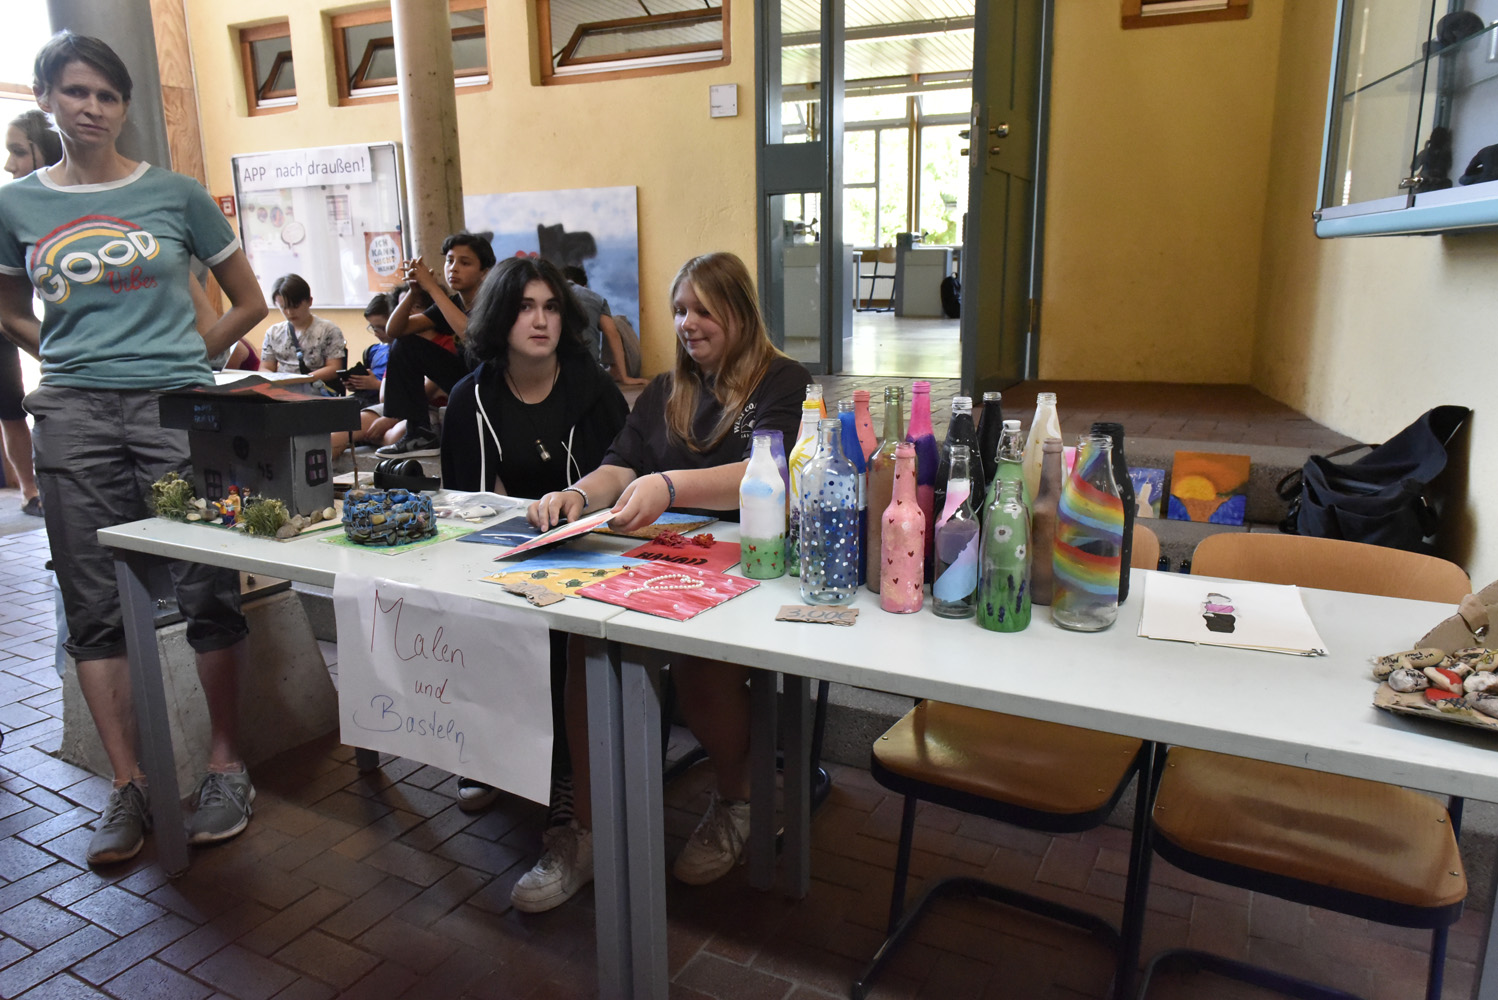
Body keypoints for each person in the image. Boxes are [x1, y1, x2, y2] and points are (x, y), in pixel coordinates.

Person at [0, 32, 269, 865]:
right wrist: (65, 353)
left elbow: (249, 301)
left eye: (107, 95)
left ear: (123, 107)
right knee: (92, 604)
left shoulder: (174, 194)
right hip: (72, 416)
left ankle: (226, 767)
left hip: (172, 412)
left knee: (207, 586)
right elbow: (8, 306)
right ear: (46, 98)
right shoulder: (16, 207)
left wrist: (186, 361)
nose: (92, 108)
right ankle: (129, 784)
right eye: (76, 92)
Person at [513, 251, 812, 912]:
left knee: (703, 670)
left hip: (752, 566)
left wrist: (670, 485)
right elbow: (620, 464)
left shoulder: (782, 380)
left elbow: (768, 471)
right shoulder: (664, 390)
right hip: (664, 563)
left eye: (704, 310)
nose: (688, 323)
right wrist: (578, 493)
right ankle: (588, 830)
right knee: (587, 644)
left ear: (740, 312)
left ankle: (740, 799)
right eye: (680, 310)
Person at [440, 256, 628, 821]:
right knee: (481, 615)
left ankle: (568, 770)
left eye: (550, 307)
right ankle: (489, 752)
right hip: (504, 555)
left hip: (594, 553)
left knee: (566, 638)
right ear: (500, 317)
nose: (540, 321)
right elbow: (468, 507)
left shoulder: (593, 389)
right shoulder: (471, 399)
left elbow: (623, 474)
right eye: (525, 308)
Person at [376, 232, 494, 457]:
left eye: (465, 263)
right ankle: (419, 433)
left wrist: (432, 288)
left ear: (484, 272)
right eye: (449, 261)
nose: (453, 268)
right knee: (405, 344)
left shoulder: (493, 301)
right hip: (465, 377)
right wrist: (413, 292)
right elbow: (394, 330)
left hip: (493, 381)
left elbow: (473, 337)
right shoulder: (452, 303)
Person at [0, 109, 61, 517]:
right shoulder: (11, 205)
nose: (9, 164)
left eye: (18, 152)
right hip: (10, 318)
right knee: (10, 403)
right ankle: (28, 489)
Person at [332, 291, 401, 460]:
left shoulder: (401, 350)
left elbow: (403, 387)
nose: (377, 332)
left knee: (349, 421)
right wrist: (355, 383)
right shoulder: (374, 350)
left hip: (382, 401)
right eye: (373, 327)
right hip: (365, 398)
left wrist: (375, 384)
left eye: (382, 327)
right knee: (332, 412)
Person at [260, 273, 346, 396]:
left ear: (309, 301)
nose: (289, 312)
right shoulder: (273, 332)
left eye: (295, 306)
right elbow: (266, 367)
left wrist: (301, 380)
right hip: (283, 391)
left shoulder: (328, 330)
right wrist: (275, 381)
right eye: (283, 307)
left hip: (316, 391)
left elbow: (334, 368)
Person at [562, 265, 646, 388]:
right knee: (617, 321)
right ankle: (617, 372)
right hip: (589, 371)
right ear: (585, 286)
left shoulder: (549, 294)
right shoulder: (595, 298)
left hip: (554, 373)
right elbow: (612, 334)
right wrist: (625, 378)